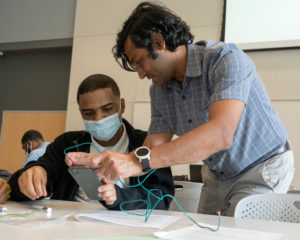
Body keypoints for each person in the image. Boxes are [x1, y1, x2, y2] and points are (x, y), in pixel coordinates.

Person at [65, 2, 294, 216]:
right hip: (217, 175)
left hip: (262, 167)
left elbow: (220, 135)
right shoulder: (159, 90)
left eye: (139, 61)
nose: (141, 74)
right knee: (202, 232)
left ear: (159, 42)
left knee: (239, 233)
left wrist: (134, 163)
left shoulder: (225, 60)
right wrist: (114, 161)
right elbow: (153, 147)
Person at [9, 74, 174, 210]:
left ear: (121, 105)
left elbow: (162, 196)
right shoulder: (67, 143)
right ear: (80, 112)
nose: (99, 119)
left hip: (127, 225)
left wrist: (119, 197)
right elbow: (31, 181)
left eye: (107, 109)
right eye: (88, 113)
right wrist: (27, 178)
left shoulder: (146, 143)